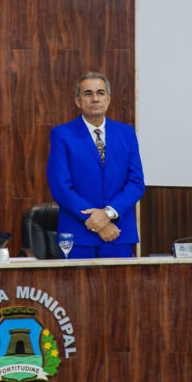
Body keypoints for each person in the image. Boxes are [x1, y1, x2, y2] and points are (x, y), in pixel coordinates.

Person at [46, 72, 145, 258]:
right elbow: (61, 187)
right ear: (78, 100)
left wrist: (108, 214)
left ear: (108, 99)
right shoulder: (61, 135)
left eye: (100, 93)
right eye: (88, 94)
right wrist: (96, 220)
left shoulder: (127, 133)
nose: (95, 99)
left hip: (118, 233)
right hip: (78, 235)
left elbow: (136, 183)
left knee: (119, 287)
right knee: (76, 288)